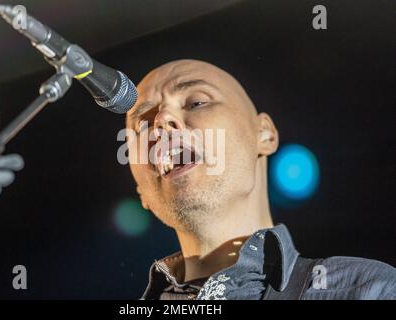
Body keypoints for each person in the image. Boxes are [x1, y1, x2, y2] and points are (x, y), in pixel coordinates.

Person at [125, 59, 396, 300]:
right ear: (141, 191)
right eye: (143, 124)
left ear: (264, 134)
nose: (162, 120)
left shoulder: (369, 290)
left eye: (196, 102)